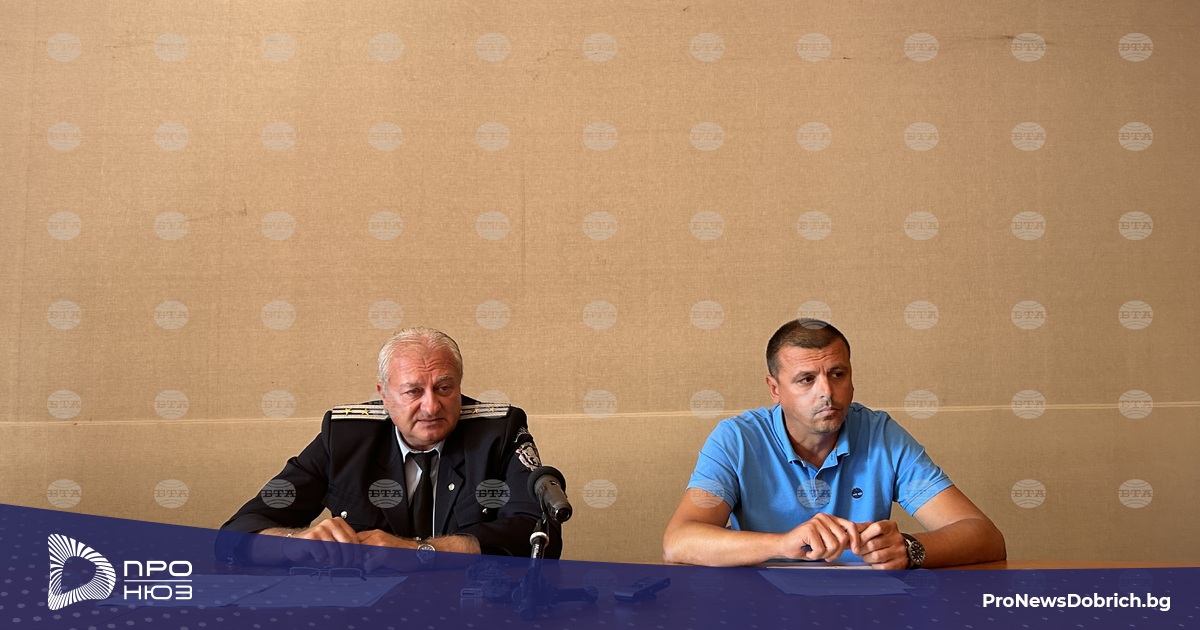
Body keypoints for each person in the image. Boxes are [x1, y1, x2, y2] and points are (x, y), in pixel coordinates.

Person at [663, 318, 1005, 569]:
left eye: (837, 374)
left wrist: (908, 547)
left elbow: (986, 537)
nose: (827, 392)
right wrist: (782, 544)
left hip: (863, 603)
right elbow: (678, 542)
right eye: (806, 380)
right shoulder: (737, 439)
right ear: (775, 389)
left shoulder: (882, 435)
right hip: (761, 603)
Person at [219, 327, 560, 568]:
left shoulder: (498, 433)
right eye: (413, 391)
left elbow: (539, 535)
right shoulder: (344, 438)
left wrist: (420, 552)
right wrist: (294, 545)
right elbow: (237, 532)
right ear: (384, 394)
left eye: (444, 388)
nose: (431, 406)